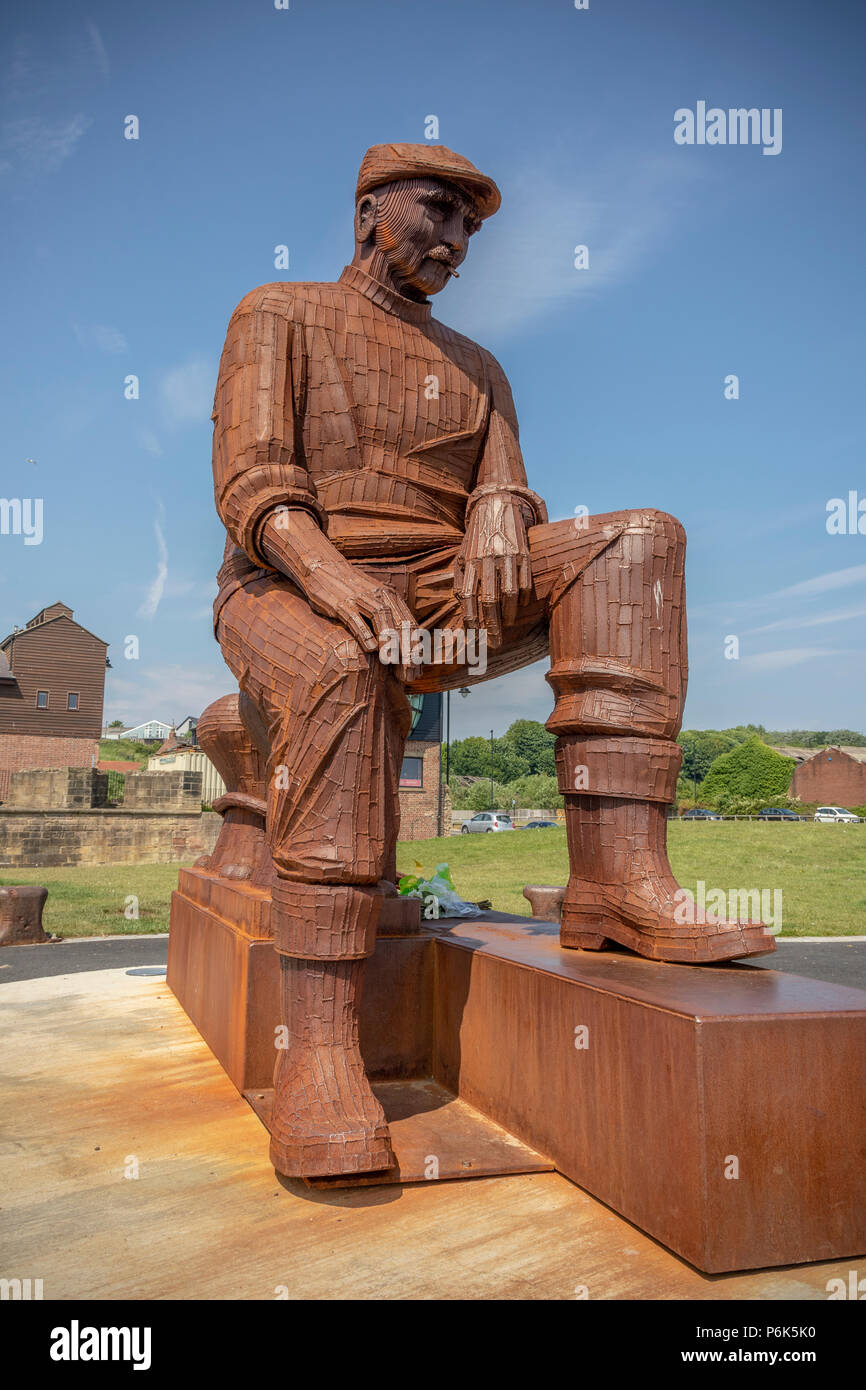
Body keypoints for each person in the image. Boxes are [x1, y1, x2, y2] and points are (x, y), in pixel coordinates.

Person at [206, 142, 775, 1179]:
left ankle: (617, 883)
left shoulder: (479, 367)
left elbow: (505, 485)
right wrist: (333, 580)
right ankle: (324, 1046)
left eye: (471, 227)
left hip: (437, 599)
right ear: (369, 209)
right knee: (337, 667)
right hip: (284, 584)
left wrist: (502, 512)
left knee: (636, 539)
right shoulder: (276, 311)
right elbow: (253, 487)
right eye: (437, 212)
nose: (457, 241)